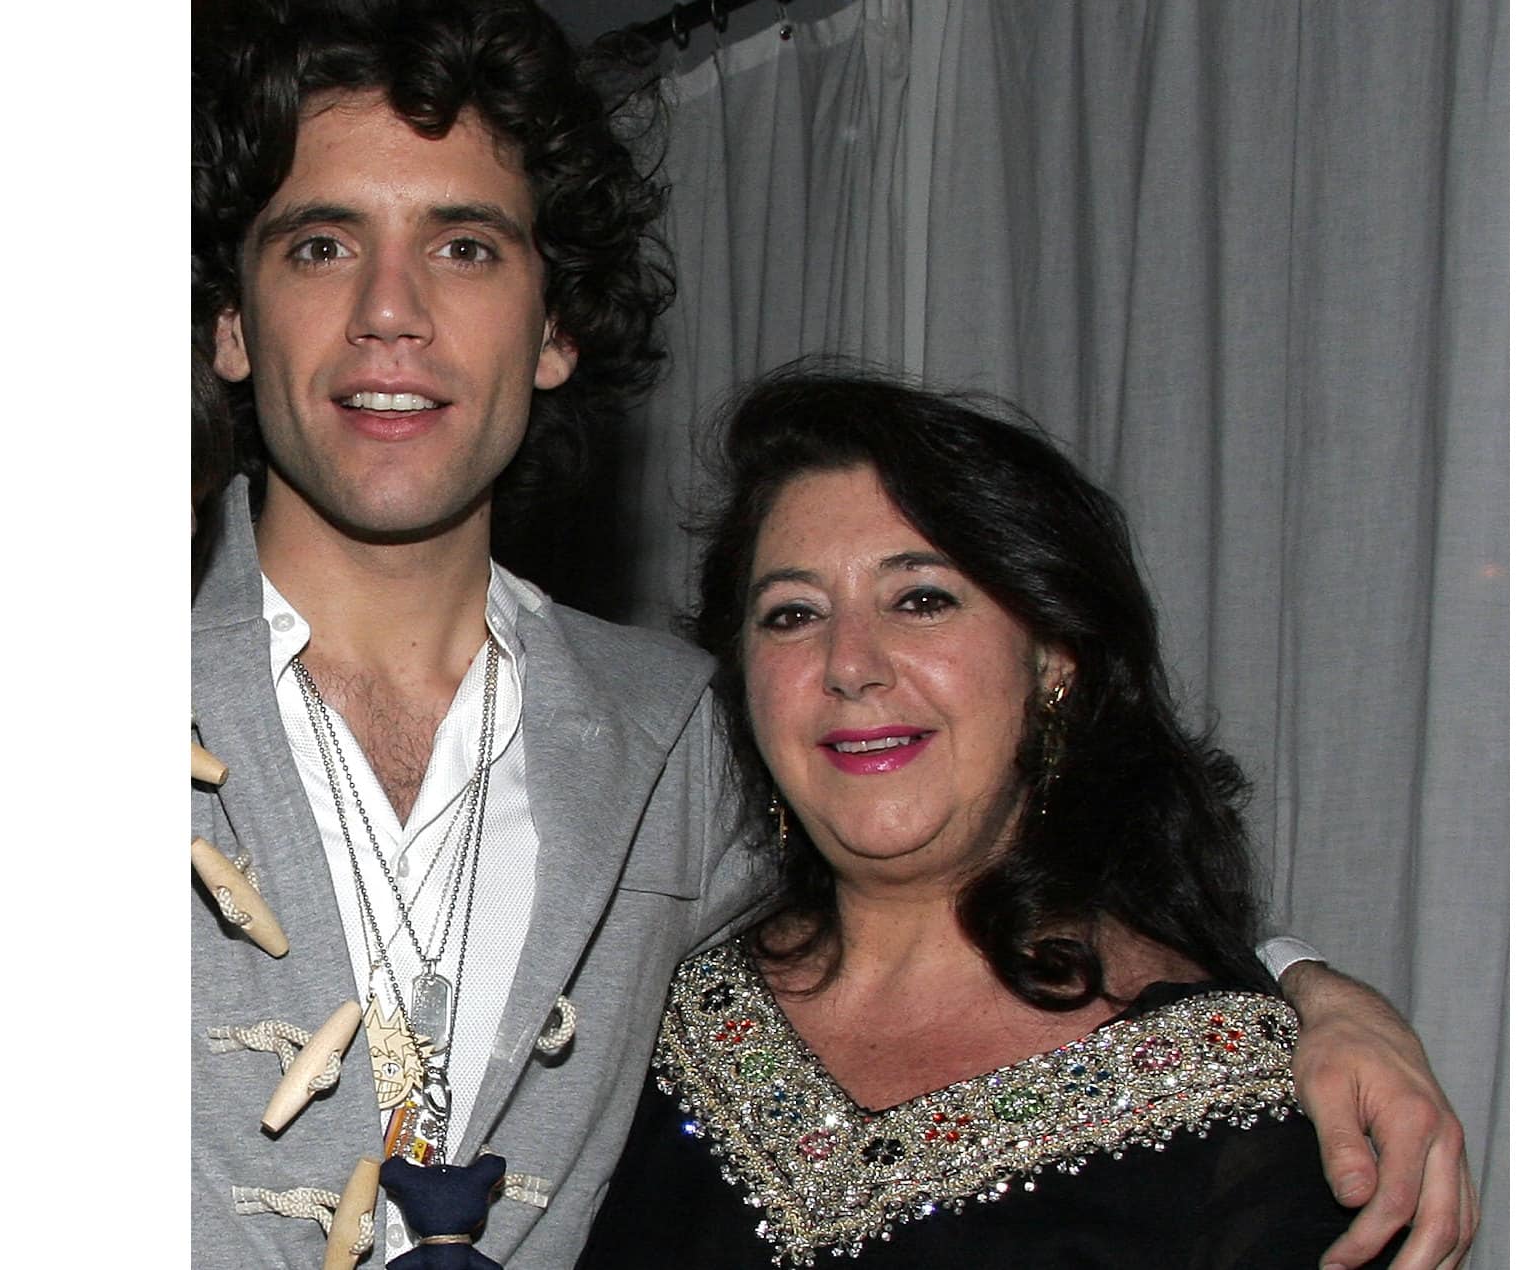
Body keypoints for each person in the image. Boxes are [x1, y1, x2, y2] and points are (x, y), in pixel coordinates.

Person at [189, 0, 1472, 1266]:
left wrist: (1312, 994)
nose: (391, 312)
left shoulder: (679, 733)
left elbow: (947, 847)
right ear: (232, 323)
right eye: (321, 243)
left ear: (556, 327)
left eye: (464, 245)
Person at [574, 367, 1442, 1267]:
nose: (850, 664)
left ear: (1054, 656)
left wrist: (1308, 996)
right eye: (792, 615)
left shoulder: (1259, 1102)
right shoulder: (638, 1013)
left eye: (921, 599)